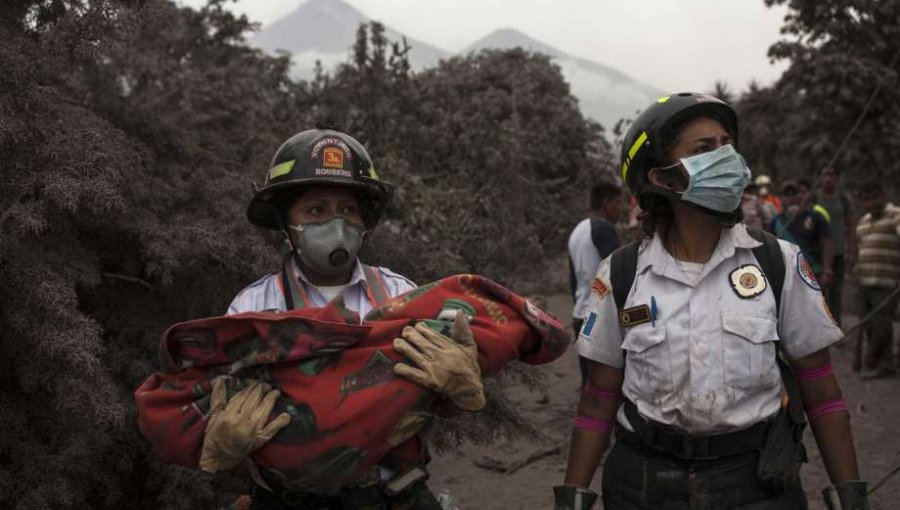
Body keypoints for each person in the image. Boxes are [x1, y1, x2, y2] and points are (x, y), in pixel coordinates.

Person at [554, 93, 869, 510]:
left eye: (728, 145)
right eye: (704, 150)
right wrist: (572, 497)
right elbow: (598, 397)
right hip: (643, 484)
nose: (727, 158)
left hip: (756, 483)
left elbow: (821, 389)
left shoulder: (779, 262)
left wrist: (849, 494)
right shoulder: (621, 274)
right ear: (662, 179)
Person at [202, 127, 485, 509]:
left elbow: (427, 398)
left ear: (365, 221)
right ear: (288, 224)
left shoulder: (402, 295)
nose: (337, 224)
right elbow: (225, 402)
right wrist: (222, 440)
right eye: (316, 210)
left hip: (392, 496)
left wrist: (457, 389)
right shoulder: (253, 308)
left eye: (348, 209)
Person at [568, 181, 622, 388]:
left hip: (581, 316)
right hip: (598, 317)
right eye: (618, 203)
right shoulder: (603, 228)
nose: (620, 208)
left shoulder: (578, 231)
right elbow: (618, 271)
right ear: (607, 204)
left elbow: (573, 282)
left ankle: (586, 419)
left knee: (589, 380)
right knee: (606, 383)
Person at [855, 181, 900, 379]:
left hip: (887, 280)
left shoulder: (895, 214)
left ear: (882, 197)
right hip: (865, 280)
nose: (871, 203)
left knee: (882, 323)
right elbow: (860, 247)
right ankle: (887, 364)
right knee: (871, 325)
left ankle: (871, 359)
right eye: (866, 200)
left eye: (875, 198)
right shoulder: (863, 222)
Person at [771, 179, 835, 289]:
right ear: (782, 199)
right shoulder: (776, 222)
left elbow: (827, 243)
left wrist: (827, 271)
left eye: (794, 194)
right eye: (787, 195)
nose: (791, 198)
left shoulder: (815, 216)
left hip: (814, 272)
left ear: (800, 196)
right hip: (788, 275)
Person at [815, 166, 857, 326]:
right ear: (819, 178)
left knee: (835, 293)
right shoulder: (814, 198)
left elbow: (851, 226)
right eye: (824, 174)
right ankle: (819, 326)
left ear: (837, 178)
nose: (828, 178)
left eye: (831, 174)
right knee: (816, 293)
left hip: (838, 254)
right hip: (817, 254)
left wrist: (852, 253)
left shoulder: (843, 200)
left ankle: (835, 326)